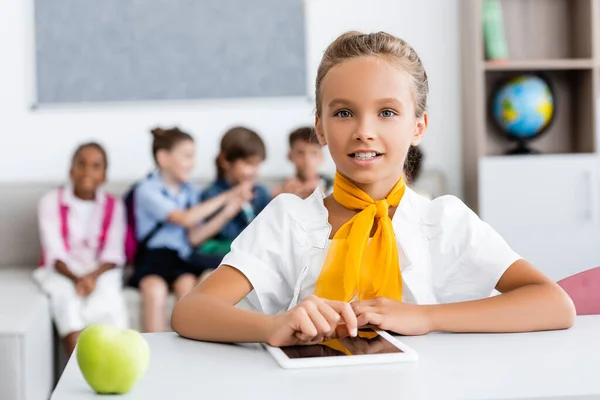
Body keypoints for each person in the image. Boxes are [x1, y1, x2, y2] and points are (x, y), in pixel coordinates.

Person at [171, 31, 575, 347]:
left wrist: (425, 317)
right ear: (321, 128)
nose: (364, 131)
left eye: (386, 112)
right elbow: (191, 311)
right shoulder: (288, 219)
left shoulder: (444, 222)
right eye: (344, 112)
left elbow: (553, 303)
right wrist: (273, 327)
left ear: (418, 126)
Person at [129, 127, 252, 332]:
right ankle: (156, 358)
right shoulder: (147, 189)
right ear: (163, 158)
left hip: (181, 257)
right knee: (155, 290)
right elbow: (184, 219)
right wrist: (227, 196)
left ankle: (186, 351)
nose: (192, 163)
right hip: (154, 257)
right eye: (186, 156)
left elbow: (195, 237)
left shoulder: (190, 191)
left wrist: (229, 210)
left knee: (188, 288)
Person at [34, 142, 128, 355]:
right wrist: (78, 279)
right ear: (71, 169)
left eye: (96, 166)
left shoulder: (114, 206)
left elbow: (113, 255)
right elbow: (54, 253)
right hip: (62, 270)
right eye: (81, 164)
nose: (87, 171)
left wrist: (91, 277)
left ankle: (114, 362)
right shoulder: (50, 202)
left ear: (104, 175)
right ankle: (77, 371)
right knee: (67, 302)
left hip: (99, 270)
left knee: (109, 302)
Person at [193, 126, 271, 262]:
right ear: (225, 161)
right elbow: (227, 235)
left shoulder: (261, 193)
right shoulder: (212, 196)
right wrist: (233, 206)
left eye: (257, 165)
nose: (255, 172)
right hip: (222, 262)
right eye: (248, 164)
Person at [273, 126, 333, 199]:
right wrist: (280, 200)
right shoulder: (280, 190)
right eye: (300, 153)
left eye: (314, 153)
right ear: (290, 156)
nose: (307, 160)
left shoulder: (335, 187)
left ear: (321, 157)